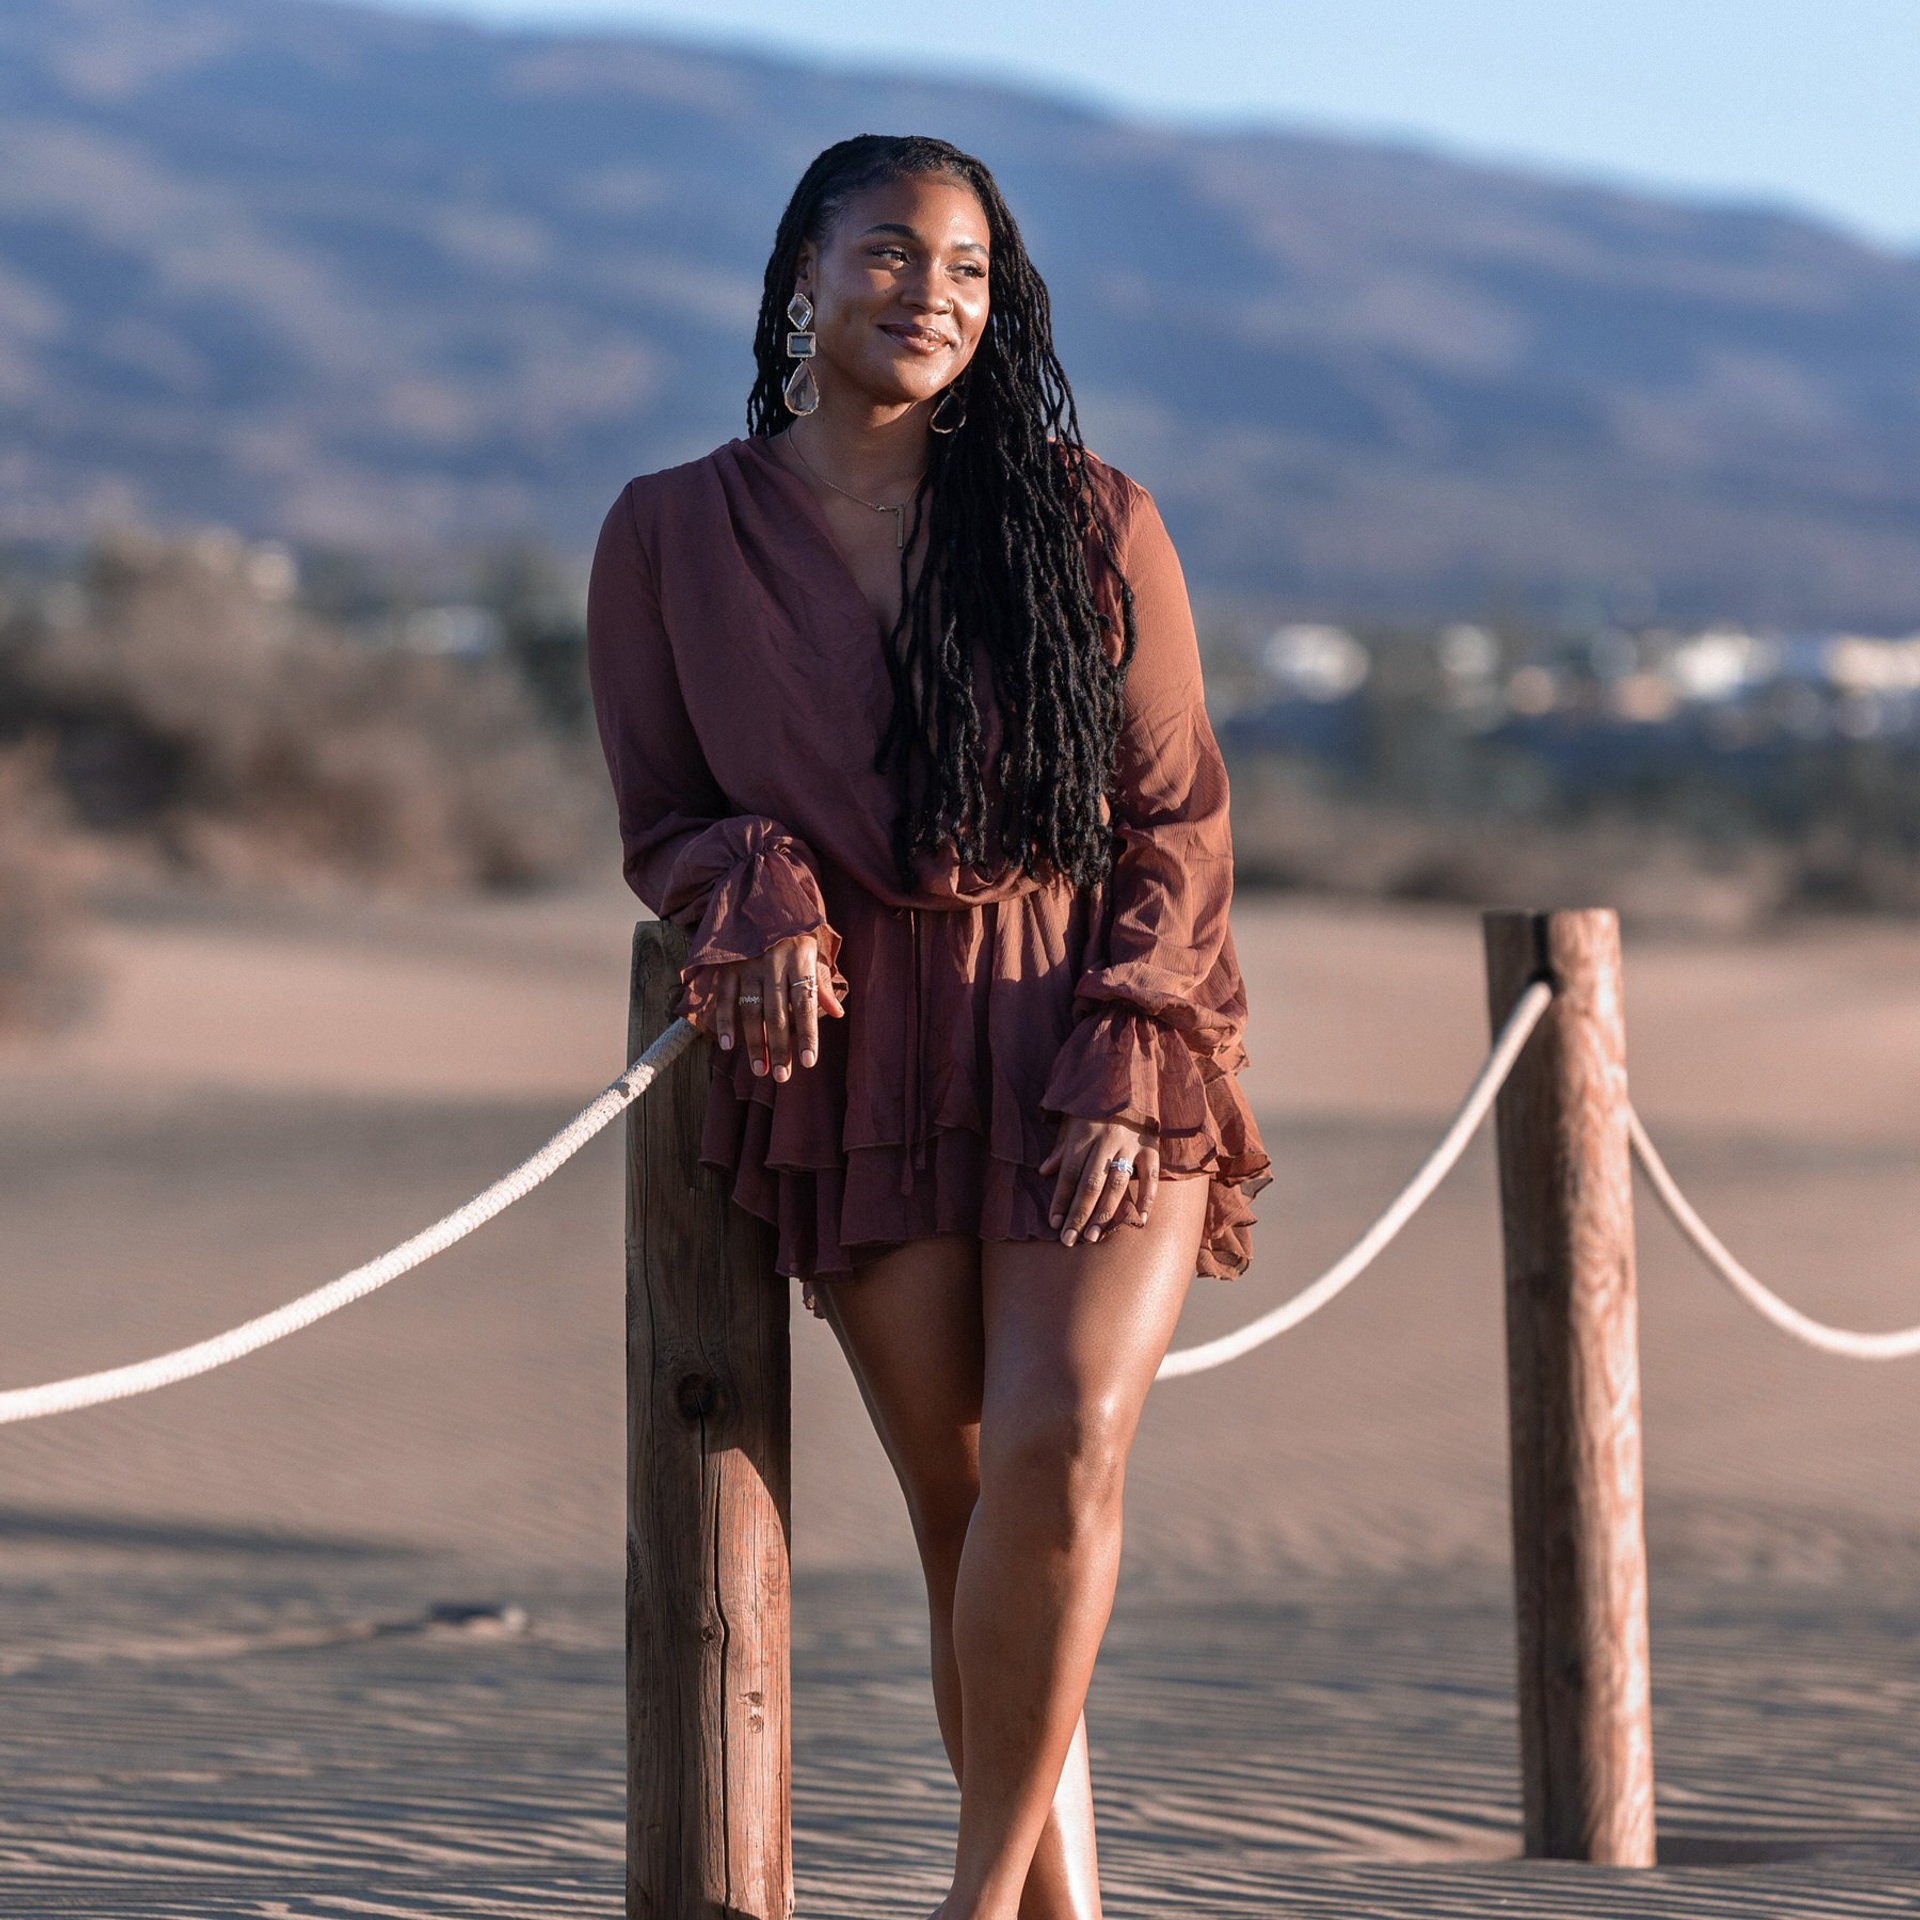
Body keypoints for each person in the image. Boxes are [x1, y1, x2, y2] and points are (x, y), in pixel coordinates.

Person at [588, 131, 1269, 1920]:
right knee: (970, 1515)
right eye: (891, 254)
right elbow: (658, 810)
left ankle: (969, 1911)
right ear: (801, 274)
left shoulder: (1088, 514)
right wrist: (750, 875)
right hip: (863, 1054)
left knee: (1060, 1443)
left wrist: (1136, 1036)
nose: (930, 296)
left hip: (1088, 1027)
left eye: (967, 270)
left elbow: (1180, 813)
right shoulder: (669, 531)